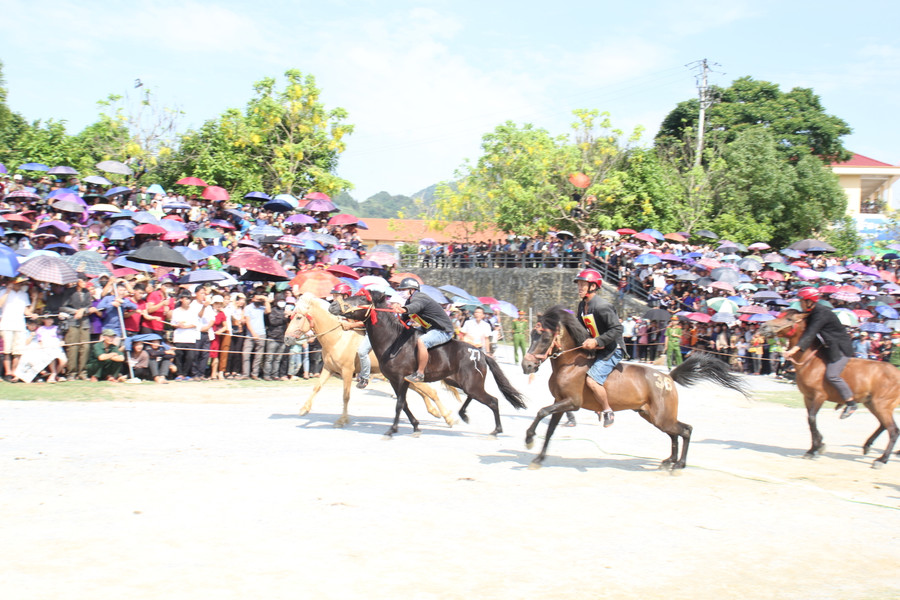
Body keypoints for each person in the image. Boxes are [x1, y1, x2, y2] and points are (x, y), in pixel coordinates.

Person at [783, 287, 857, 418]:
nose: (800, 304)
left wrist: (794, 350)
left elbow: (810, 333)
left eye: (802, 301)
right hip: (827, 347)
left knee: (832, 375)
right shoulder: (812, 313)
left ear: (810, 301)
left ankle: (851, 403)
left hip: (840, 348)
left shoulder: (821, 313)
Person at [573, 269, 626, 427]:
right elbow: (580, 327)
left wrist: (596, 341)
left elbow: (617, 329)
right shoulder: (582, 305)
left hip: (612, 348)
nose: (580, 287)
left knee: (592, 380)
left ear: (593, 287)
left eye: (584, 284)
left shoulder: (602, 306)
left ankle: (607, 410)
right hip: (597, 348)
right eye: (579, 285)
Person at [394, 277, 455, 383]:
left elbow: (415, 307)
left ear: (412, 290)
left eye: (403, 289)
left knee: (422, 341)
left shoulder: (420, 297)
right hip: (429, 328)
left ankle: (420, 373)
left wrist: (403, 309)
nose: (401, 292)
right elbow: (404, 320)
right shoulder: (409, 300)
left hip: (443, 330)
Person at [329, 283, 371, 388]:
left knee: (362, 351)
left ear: (345, 296)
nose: (334, 298)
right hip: (354, 332)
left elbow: (366, 321)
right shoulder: (338, 307)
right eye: (334, 296)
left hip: (369, 331)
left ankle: (364, 376)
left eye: (336, 296)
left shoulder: (356, 305)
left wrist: (351, 325)